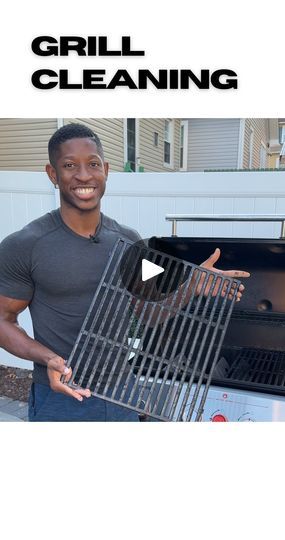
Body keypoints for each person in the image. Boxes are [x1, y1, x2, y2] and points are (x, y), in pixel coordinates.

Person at [0, 123, 250, 422]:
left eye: (92, 164)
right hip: (60, 398)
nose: (83, 175)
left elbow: (147, 312)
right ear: (53, 174)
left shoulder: (131, 241)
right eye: (69, 165)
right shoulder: (25, 245)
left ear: (105, 170)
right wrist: (47, 358)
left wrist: (190, 286)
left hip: (122, 393)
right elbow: (3, 320)